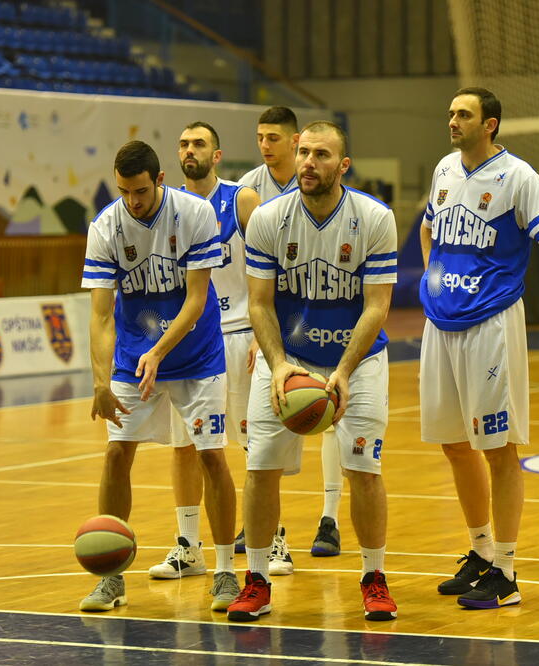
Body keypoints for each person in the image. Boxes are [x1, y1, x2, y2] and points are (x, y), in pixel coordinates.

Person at [419, 87, 539, 610]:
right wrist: (433, 276)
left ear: (490, 124)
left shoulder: (519, 177)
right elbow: (430, 228)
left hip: (490, 323)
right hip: (441, 320)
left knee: (497, 449)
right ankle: (479, 551)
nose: (452, 120)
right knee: (454, 444)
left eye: (463, 114)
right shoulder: (444, 170)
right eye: (450, 112)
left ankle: (507, 569)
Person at [228, 121, 399, 622]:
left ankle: (374, 578)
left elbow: (377, 306)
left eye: (321, 154)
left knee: (363, 469)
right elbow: (258, 304)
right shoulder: (267, 219)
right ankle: (256, 579)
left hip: (358, 361)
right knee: (260, 466)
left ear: (342, 166)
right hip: (289, 359)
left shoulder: (374, 218)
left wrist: (344, 371)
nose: (307, 162)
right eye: (303, 152)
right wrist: (278, 364)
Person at [78, 140, 237, 613]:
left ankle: (226, 569)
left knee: (212, 457)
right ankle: (111, 578)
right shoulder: (105, 226)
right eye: (125, 191)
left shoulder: (194, 214)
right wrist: (101, 383)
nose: (133, 201)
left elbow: (196, 299)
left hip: (197, 356)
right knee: (115, 453)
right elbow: (102, 316)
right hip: (133, 357)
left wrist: (159, 352)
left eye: (141, 191)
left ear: (160, 179)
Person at [143, 121, 261, 610]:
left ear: (217, 155)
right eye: (184, 144)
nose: (190, 150)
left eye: (200, 144)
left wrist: (261, 327)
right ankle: (189, 546)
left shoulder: (242, 201)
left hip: (240, 335)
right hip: (190, 340)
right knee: (184, 447)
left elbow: (267, 264)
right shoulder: (166, 207)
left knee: (254, 444)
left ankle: (265, 539)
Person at [239, 105, 346, 560]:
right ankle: (272, 535)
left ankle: (330, 518)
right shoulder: (250, 192)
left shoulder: (333, 194)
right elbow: (261, 281)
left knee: (333, 424)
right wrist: (260, 338)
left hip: (330, 324)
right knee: (261, 443)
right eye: (260, 137)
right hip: (279, 331)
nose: (266, 145)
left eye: (274, 138)